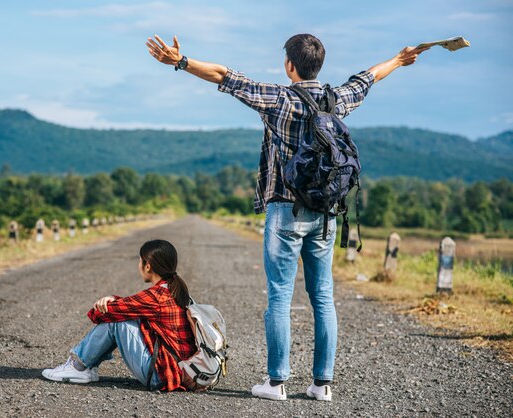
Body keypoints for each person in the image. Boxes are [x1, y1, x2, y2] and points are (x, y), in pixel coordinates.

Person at [146, 33, 428, 401]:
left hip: (284, 210)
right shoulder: (336, 99)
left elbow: (223, 76)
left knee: (280, 296)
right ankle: (321, 385)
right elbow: (369, 77)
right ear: (319, 65)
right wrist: (398, 58)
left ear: (289, 65)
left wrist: (181, 63)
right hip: (326, 214)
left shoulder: (278, 99)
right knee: (323, 297)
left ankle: (276, 383)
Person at [42, 239, 196, 392]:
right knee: (124, 315)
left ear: (147, 266)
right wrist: (115, 299)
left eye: (139, 261)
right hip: (177, 372)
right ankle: (87, 367)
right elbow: (133, 306)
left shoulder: (156, 296)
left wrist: (108, 303)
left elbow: (101, 313)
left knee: (116, 321)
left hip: (160, 376)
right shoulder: (174, 290)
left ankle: (79, 367)